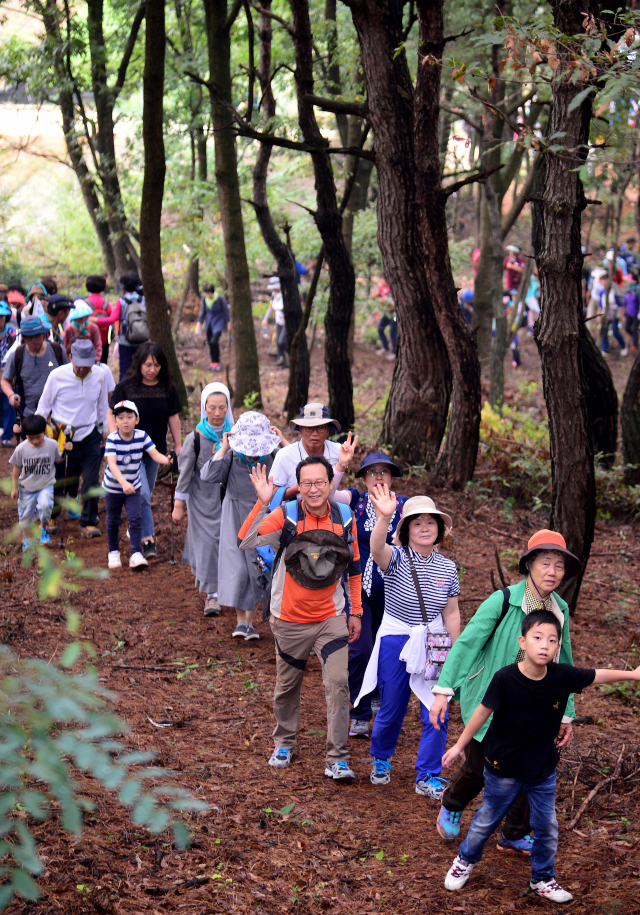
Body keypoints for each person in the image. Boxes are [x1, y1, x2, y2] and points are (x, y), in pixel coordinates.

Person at [442, 610, 640, 903]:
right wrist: (459, 745)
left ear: (558, 646)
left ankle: (543, 878)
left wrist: (634, 675)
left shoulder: (562, 676)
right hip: (503, 768)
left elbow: (597, 675)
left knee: (547, 826)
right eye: (537, 638)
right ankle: (464, 862)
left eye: (552, 639)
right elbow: (482, 712)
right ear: (523, 642)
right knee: (486, 820)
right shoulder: (505, 678)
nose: (544, 644)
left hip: (542, 769)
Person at [430, 530, 579, 853]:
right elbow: (468, 644)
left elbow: (564, 663)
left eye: (559, 565)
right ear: (529, 565)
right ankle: (453, 802)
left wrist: (566, 712)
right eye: (545, 563)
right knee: (481, 769)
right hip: (490, 699)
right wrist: (444, 689)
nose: (552, 571)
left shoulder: (560, 611)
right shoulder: (503, 600)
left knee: (532, 769)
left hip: (535, 707)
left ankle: (514, 831)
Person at [239, 455, 363, 780]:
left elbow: (353, 567)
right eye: (306, 483)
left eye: (320, 482)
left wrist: (357, 612)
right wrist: (264, 504)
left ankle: (337, 758)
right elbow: (246, 541)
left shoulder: (344, 516)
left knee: (338, 684)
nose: (313, 489)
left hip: (330, 617)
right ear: (299, 485)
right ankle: (284, 742)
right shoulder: (287, 514)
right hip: (290, 617)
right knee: (287, 686)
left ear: (330, 483)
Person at [356, 489, 460, 797]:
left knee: (437, 708)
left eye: (431, 522)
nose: (425, 528)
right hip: (398, 636)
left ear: (440, 529)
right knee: (392, 704)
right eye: (418, 523)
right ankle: (381, 759)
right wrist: (385, 515)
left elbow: (452, 612)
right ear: (407, 530)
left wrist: (456, 651)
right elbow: (376, 548)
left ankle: (428, 774)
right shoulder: (396, 557)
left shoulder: (448, 567)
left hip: (436, 639)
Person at [329, 451, 408, 738]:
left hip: (396, 593)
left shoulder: (404, 506)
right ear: (362, 478)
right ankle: (360, 712)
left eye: (383, 471)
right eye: (371, 472)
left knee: (386, 650)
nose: (378, 477)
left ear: (391, 476)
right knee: (360, 649)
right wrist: (340, 465)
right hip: (359, 590)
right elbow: (327, 492)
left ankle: (382, 703)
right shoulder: (356, 501)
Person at [200, 412, 284, 640]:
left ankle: (250, 621)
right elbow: (207, 475)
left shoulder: (272, 457)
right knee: (237, 568)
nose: (253, 452)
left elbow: (296, 471)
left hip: (263, 516)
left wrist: (282, 442)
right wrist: (224, 448)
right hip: (233, 517)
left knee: (257, 567)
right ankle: (241, 622)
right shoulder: (232, 457)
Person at [109, 342, 182, 559]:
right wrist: (116, 440)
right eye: (148, 365)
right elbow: (112, 412)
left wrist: (178, 445)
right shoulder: (126, 387)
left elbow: (173, 416)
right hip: (130, 451)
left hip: (155, 450)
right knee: (140, 493)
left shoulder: (167, 387)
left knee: (145, 493)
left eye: (157, 365)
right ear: (139, 363)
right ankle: (147, 539)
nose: (152, 370)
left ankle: (136, 524)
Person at [36, 338, 109, 538]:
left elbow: (103, 404)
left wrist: (103, 429)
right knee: (60, 480)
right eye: (79, 366)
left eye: (88, 366)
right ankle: (51, 515)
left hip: (89, 434)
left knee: (91, 481)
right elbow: (43, 407)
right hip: (62, 436)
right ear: (70, 358)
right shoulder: (57, 376)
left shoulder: (100, 374)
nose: (84, 370)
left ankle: (88, 522)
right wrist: (37, 434)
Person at [172, 382, 234, 616]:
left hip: (230, 501)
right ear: (204, 408)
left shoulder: (235, 434)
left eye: (222, 407)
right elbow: (185, 473)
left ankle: (229, 588)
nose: (217, 413)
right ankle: (212, 595)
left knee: (228, 544)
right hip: (202, 503)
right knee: (209, 545)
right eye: (212, 408)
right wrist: (179, 505)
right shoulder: (194, 439)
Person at [103, 400, 173, 571]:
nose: (125, 421)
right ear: (115, 421)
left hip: (133, 486)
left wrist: (169, 461)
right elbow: (112, 464)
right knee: (113, 520)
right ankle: (113, 552)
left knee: (135, 518)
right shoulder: (112, 439)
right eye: (120, 418)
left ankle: (135, 553)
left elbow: (155, 454)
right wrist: (123, 482)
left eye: (129, 417)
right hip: (113, 487)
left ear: (137, 419)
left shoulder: (141, 436)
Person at [0, 317, 68, 434]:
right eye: (29, 336)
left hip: (58, 414)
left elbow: (70, 375)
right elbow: (5, 380)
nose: (34, 340)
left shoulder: (57, 350)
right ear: (23, 337)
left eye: (37, 335)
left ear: (43, 334)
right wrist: (11, 395)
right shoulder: (17, 355)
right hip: (29, 416)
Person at [9, 413, 64, 549]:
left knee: (45, 506)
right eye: (30, 438)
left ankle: (42, 529)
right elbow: (16, 468)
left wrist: (66, 451)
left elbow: (59, 459)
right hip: (26, 487)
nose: (34, 441)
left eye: (38, 437)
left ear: (44, 431)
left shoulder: (52, 444)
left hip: (45, 485)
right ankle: (26, 538)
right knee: (25, 514)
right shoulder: (21, 448)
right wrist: (14, 487)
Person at [269, 403, 342, 498]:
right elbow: (271, 493)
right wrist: (299, 488)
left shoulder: (338, 452)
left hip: (328, 509)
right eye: (309, 428)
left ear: (328, 430)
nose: (315, 433)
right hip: (294, 511)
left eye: (320, 427)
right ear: (301, 429)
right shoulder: (284, 455)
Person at [195, 283, 230, 371]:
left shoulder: (220, 298)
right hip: (209, 324)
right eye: (206, 294)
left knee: (214, 341)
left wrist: (228, 323)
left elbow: (226, 312)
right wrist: (198, 324)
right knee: (210, 342)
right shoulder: (204, 300)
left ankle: (217, 361)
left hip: (219, 322)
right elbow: (202, 313)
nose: (208, 295)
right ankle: (213, 361)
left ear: (212, 293)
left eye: (209, 293)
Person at [84, 275, 113, 364]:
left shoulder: (84, 303)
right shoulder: (107, 304)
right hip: (104, 340)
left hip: (87, 339)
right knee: (103, 364)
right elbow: (111, 320)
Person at [0, 301, 17, 446]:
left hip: (8, 375)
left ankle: (6, 436)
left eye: (1, 316)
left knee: (8, 406)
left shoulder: (13, 333)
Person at [599, 282, 627, 357]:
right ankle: (605, 349)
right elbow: (600, 304)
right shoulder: (602, 291)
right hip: (605, 315)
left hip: (614, 315)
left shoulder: (615, 291)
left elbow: (620, 305)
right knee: (604, 332)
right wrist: (599, 315)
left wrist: (621, 317)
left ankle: (623, 345)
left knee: (615, 331)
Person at [373, 278, 396, 359]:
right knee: (380, 328)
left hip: (394, 315)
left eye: (382, 279)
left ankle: (394, 352)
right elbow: (375, 297)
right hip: (386, 314)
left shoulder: (393, 289)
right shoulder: (382, 289)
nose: (380, 281)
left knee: (393, 332)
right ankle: (385, 348)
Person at [624, 270, 639, 352]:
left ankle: (635, 344)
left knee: (634, 329)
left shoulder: (638, 290)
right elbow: (625, 301)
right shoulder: (629, 289)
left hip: (636, 313)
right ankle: (635, 338)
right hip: (629, 312)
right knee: (627, 328)